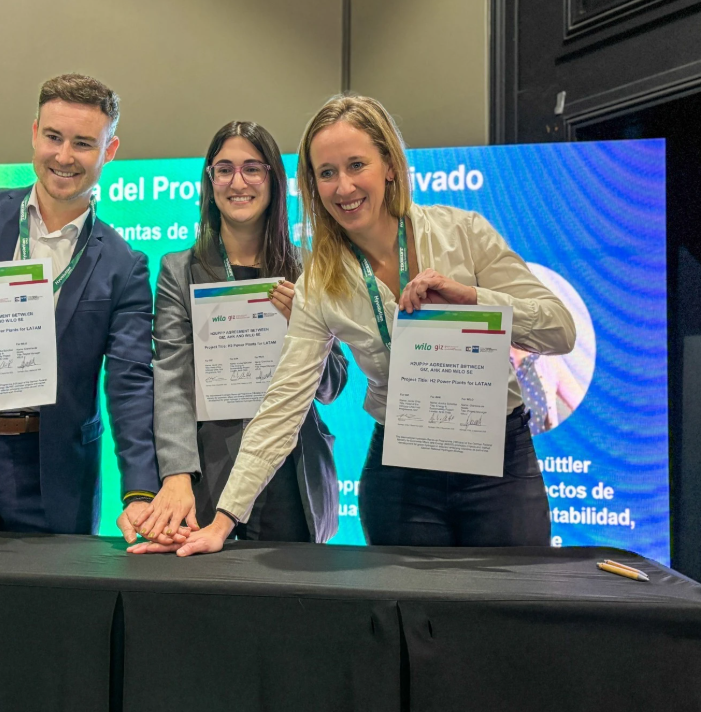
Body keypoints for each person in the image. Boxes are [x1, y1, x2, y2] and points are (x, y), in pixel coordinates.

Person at [135, 94, 576, 556]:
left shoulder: (463, 233)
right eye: (327, 173)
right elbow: (283, 405)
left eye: (356, 165)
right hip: (403, 477)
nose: (343, 187)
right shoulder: (321, 280)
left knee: (509, 599)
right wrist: (223, 522)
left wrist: (476, 300)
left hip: (498, 465)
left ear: (389, 165)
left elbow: (561, 331)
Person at [0, 73, 191, 536]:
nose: (64, 156)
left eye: (83, 143)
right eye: (53, 137)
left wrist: (141, 492)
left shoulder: (124, 265)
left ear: (109, 150)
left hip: (55, 479)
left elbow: (129, 384)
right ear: (34, 134)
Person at [128, 121, 348, 546]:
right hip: (210, 468)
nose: (238, 182)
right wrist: (177, 473)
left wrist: (303, 328)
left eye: (252, 169)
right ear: (210, 181)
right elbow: (172, 379)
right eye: (224, 169)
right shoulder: (180, 269)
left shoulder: (310, 268)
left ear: (273, 179)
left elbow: (333, 386)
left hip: (292, 470)